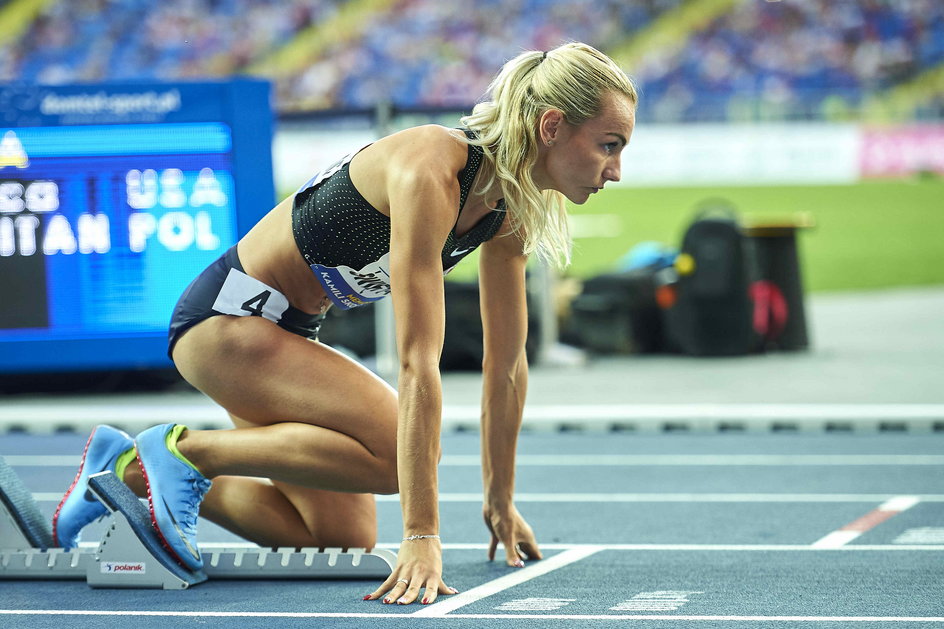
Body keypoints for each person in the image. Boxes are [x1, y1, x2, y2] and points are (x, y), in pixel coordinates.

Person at [52, 41, 637, 605]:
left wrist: (500, 498)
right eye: (609, 145)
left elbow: (506, 367)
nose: (615, 171)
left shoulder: (507, 209)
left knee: (336, 539)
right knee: (393, 454)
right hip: (227, 321)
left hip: (283, 335)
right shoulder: (431, 168)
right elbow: (417, 361)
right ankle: (185, 453)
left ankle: (123, 472)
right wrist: (421, 536)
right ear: (553, 126)